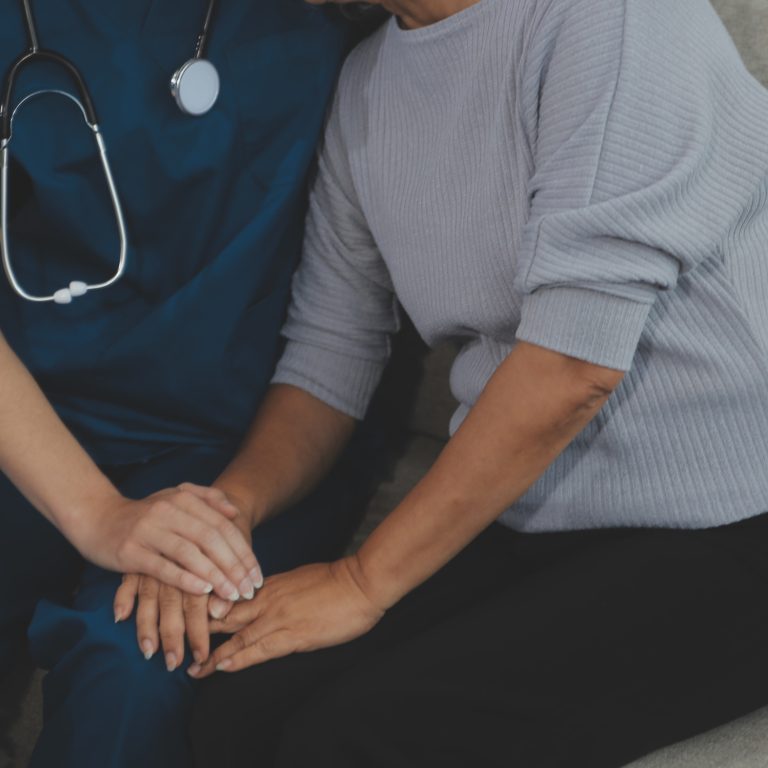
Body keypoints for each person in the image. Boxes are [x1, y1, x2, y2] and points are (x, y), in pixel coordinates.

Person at [189, 0, 768, 766]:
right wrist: (225, 511)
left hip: (735, 523)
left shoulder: (613, 17)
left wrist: (363, 580)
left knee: (355, 740)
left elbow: (574, 366)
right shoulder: (366, 86)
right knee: (236, 702)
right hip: (536, 513)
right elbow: (332, 348)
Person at [0, 1, 388, 766]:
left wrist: (220, 521)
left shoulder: (338, 19)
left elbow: (342, 338)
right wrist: (99, 515)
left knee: (136, 660)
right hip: (26, 424)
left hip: (247, 445)